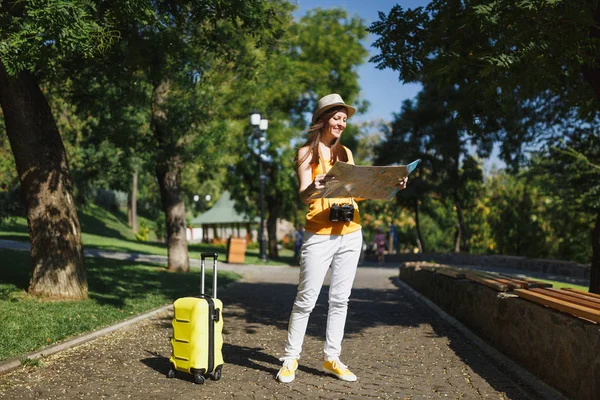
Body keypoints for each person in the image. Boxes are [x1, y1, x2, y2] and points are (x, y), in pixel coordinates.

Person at [276, 93, 408, 384]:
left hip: (351, 232)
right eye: (337, 118)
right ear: (323, 119)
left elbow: (356, 192)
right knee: (306, 299)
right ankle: (290, 358)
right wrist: (315, 185)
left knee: (340, 299)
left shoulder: (345, 154)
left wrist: (391, 185)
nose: (341, 123)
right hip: (319, 234)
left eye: (345, 119)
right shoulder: (305, 154)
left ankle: (331, 358)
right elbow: (302, 195)